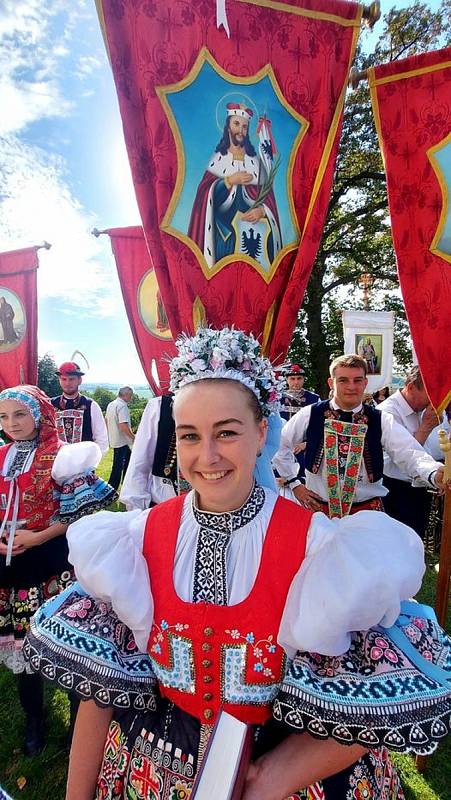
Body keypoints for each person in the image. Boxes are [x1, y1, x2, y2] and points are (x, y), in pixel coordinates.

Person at [25, 329, 451, 799]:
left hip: (283, 771)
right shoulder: (135, 541)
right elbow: (100, 693)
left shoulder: (317, 549)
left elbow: (364, 702)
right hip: (156, 762)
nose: (207, 457)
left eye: (227, 432)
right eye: (190, 436)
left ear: (262, 432)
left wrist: (270, 778)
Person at [0, 385, 116, 755]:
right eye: (4, 416)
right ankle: (35, 716)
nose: (12, 423)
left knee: (64, 643)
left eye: (20, 414)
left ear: (39, 415)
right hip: (10, 568)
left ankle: (77, 721)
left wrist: (36, 538)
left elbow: (78, 512)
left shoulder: (62, 458)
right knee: (21, 646)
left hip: (52, 564)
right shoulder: (1, 455)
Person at [272, 354, 448, 516]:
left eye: (357, 380)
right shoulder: (311, 413)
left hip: (367, 515)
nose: (351, 387)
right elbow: (280, 445)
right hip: (319, 514)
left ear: (365, 383)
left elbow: (409, 452)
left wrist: (433, 472)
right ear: (331, 383)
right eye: (343, 380)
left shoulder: (381, 419)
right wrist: (294, 483)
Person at [188, 103, 282, 269]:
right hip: (224, 240)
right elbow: (205, 197)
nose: (241, 131)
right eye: (236, 124)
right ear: (228, 126)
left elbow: (270, 201)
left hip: (254, 241)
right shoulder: (217, 160)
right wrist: (229, 181)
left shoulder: (257, 164)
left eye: (245, 127)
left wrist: (262, 211)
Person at [378, 366, 445, 538]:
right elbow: (398, 459)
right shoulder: (387, 413)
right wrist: (425, 428)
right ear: (410, 387)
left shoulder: (424, 409)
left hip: (423, 486)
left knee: (416, 542)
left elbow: (436, 448)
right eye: (429, 395)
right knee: (398, 544)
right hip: (395, 491)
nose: (433, 401)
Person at [51, 362, 108, 454]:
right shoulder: (50, 405)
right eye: (64, 379)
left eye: (71, 379)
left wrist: (89, 464)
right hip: (57, 464)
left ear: (79, 380)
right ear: (59, 380)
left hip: (84, 465)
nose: (67, 383)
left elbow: (102, 440)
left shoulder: (91, 405)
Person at [279, 365, 319, 482]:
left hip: (304, 450)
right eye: (292, 379)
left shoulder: (314, 400)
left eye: (299, 378)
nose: (296, 382)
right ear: (286, 380)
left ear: (303, 379)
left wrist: (307, 443)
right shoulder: (276, 398)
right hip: (280, 448)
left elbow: (320, 427)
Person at [105, 387, 135, 491]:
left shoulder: (111, 404)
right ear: (126, 395)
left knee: (127, 462)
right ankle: (112, 487)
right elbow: (123, 426)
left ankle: (126, 484)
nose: (131, 398)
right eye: (130, 396)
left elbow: (106, 420)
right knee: (118, 466)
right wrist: (133, 437)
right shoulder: (122, 406)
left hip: (115, 439)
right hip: (123, 441)